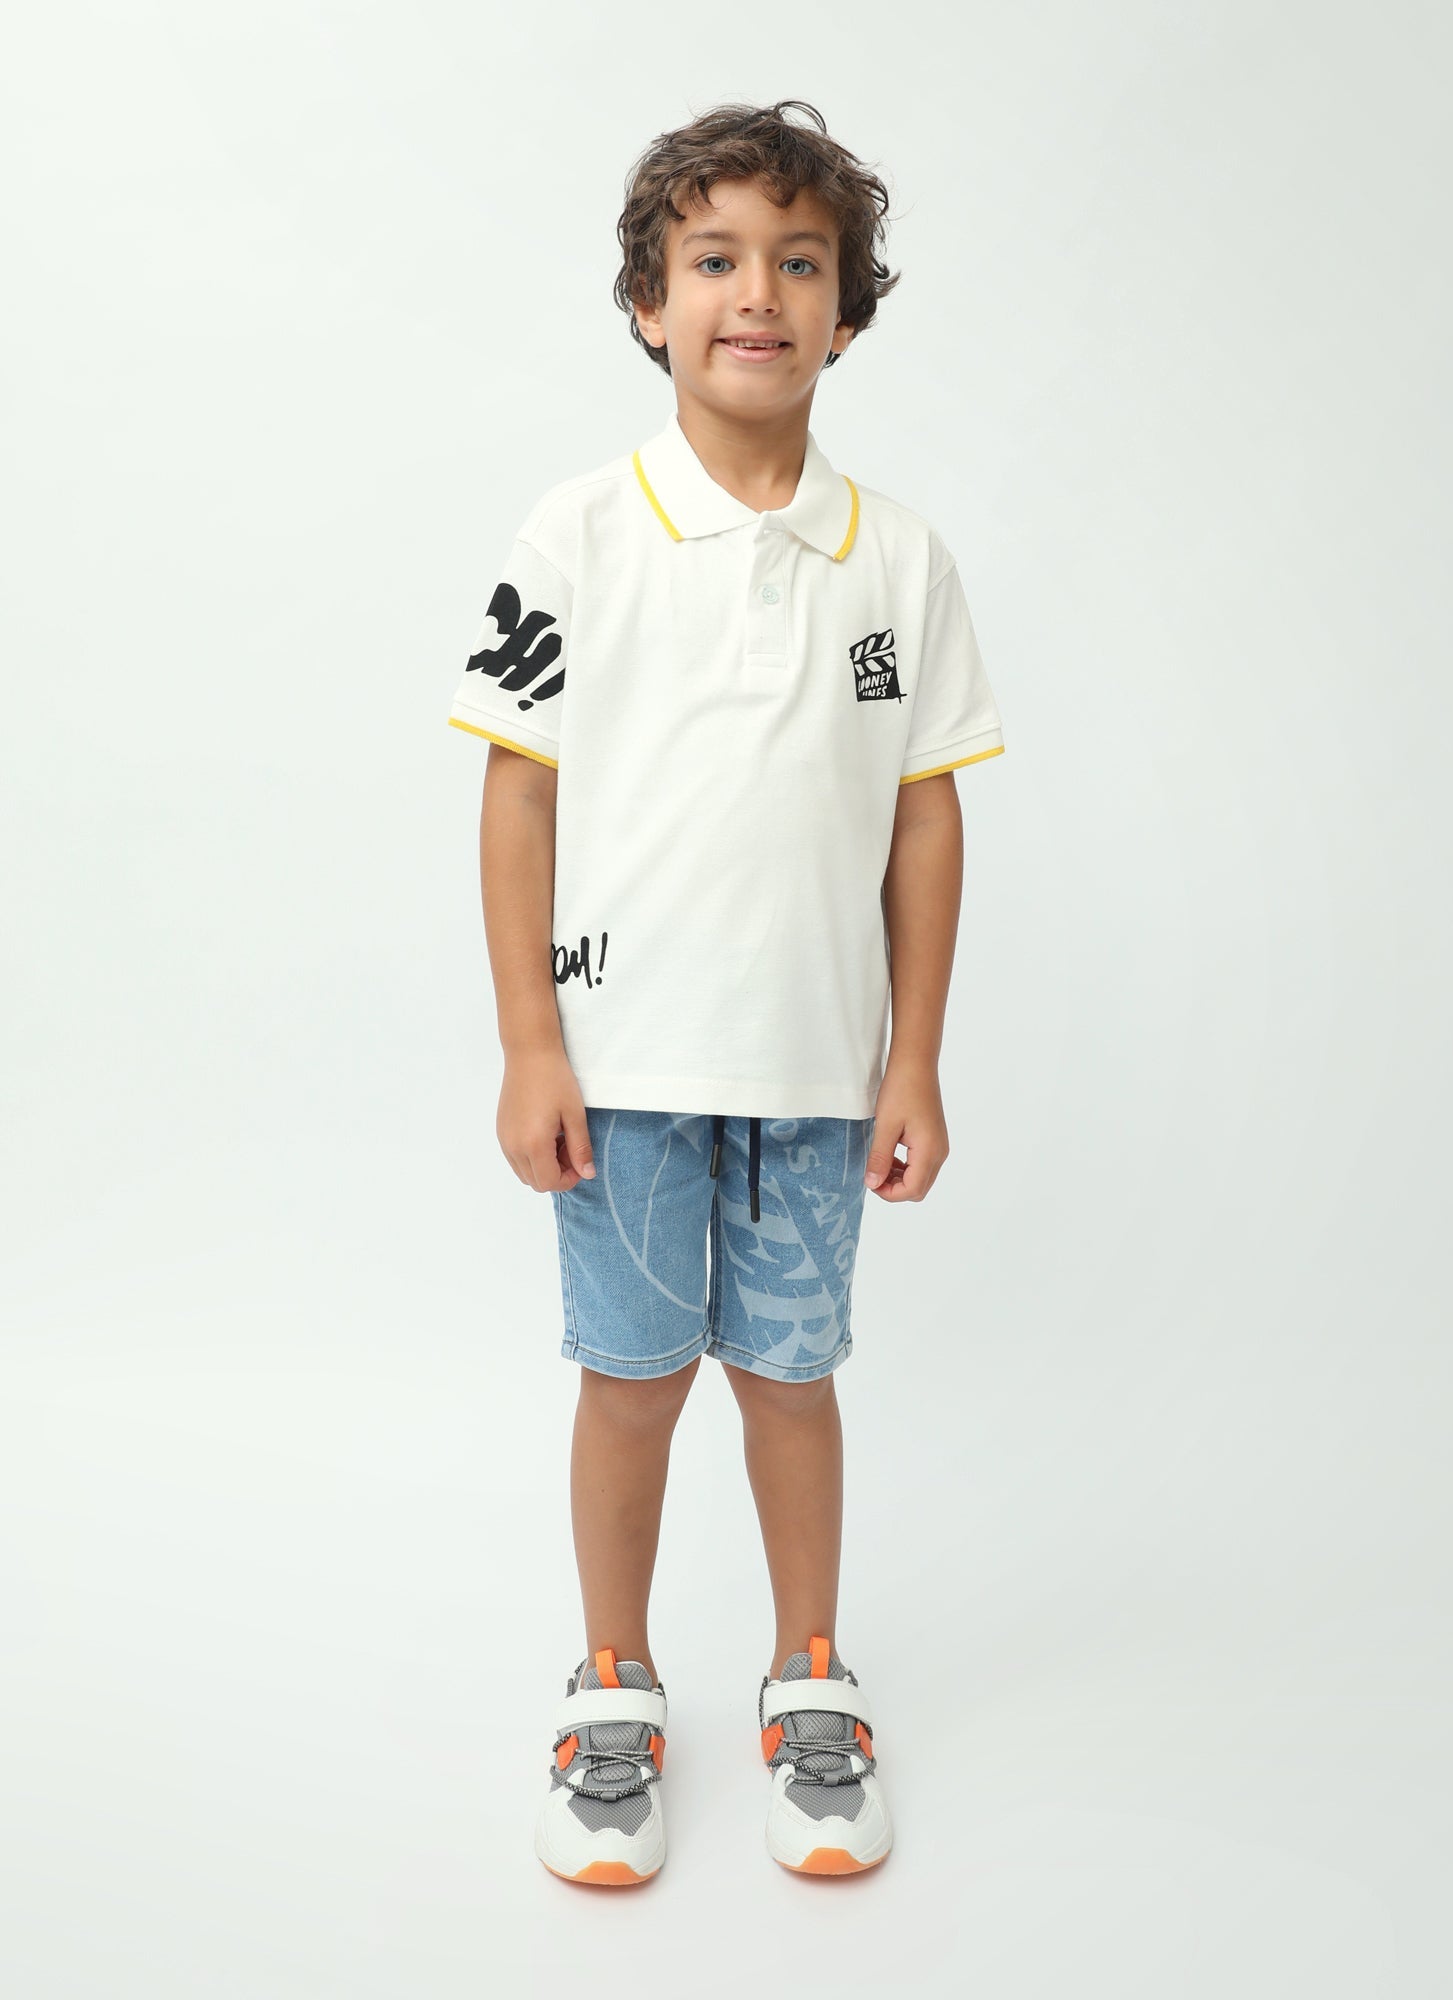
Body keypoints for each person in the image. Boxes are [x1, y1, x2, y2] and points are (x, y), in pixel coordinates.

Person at [447, 99, 1005, 1885]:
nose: (756, 292)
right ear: (649, 304)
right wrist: (531, 1039)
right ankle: (613, 1684)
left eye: (798, 261)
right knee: (630, 1383)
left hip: (819, 1075)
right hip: (620, 1071)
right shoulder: (576, 534)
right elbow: (517, 791)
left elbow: (925, 820)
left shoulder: (898, 560)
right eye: (713, 259)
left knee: (790, 1379)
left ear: (845, 310)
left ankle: (808, 1676)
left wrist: (915, 1058)